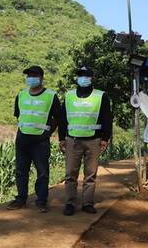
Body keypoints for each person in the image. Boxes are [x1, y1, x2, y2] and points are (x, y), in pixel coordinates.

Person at [6, 65, 61, 213]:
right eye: (28, 75)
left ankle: (41, 201)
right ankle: (20, 199)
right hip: (22, 138)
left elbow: (57, 118)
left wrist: (47, 132)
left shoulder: (51, 96)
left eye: (34, 75)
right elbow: (19, 115)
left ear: (41, 78)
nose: (31, 78)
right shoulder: (21, 95)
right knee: (21, 170)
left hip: (40, 141)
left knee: (42, 172)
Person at [59, 66, 112, 216]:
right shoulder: (69, 96)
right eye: (81, 75)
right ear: (77, 78)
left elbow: (107, 118)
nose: (83, 78)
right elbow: (63, 119)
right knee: (70, 174)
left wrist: (105, 138)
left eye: (86, 75)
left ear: (91, 78)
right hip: (72, 140)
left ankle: (87, 203)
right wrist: (62, 138)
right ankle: (70, 203)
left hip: (93, 140)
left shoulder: (101, 96)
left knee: (90, 175)